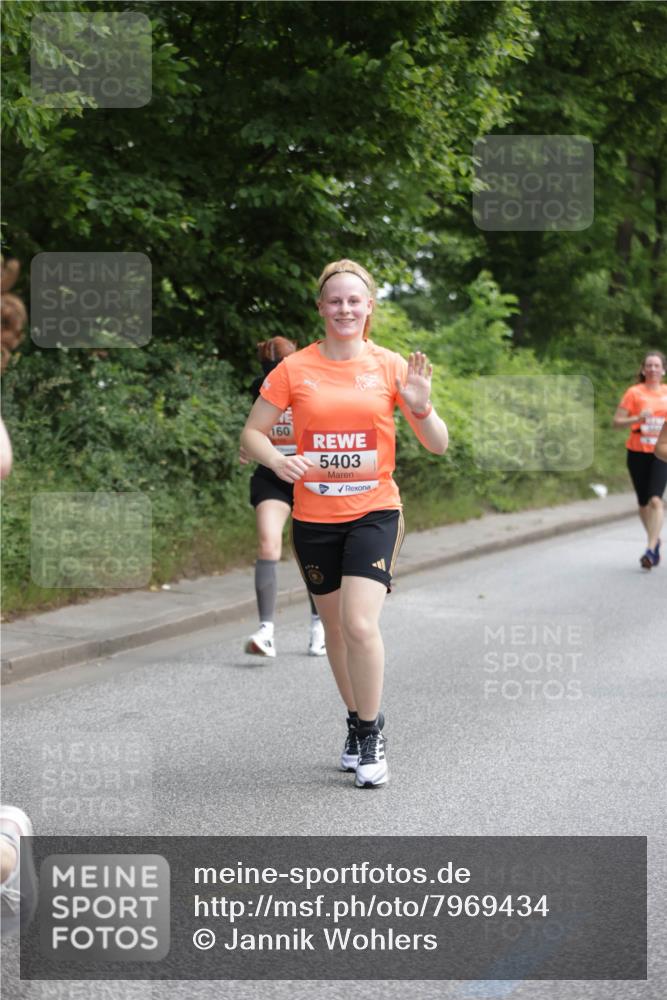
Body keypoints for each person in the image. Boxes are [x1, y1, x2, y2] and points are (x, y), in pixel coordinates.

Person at [241, 259, 448, 787]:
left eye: (354, 300)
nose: (345, 309)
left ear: (369, 306)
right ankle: (356, 725)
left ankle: (372, 731)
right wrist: (277, 461)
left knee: (359, 623)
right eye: (335, 300)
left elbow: (437, 443)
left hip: (375, 511)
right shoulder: (294, 369)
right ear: (321, 307)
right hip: (314, 518)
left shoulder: (389, 366)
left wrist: (421, 410)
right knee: (333, 628)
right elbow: (252, 435)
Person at [242, 336, 326, 658]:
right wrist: (249, 446)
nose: (274, 377)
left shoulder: (312, 386)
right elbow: (255, 430)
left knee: (311, 554)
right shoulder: (260, 388)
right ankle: (266, 632)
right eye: (269, 372)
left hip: (310, 476)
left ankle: (318, 627)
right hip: (273, 475)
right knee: (268, 544)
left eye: (279, 370)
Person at [613, 350, 667, 568]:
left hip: (661, 452)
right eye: (649, 365)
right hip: (637, 451)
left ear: (663, 370)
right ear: (643, 370)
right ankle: (654, 541)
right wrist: (637, 417)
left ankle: (650, 549)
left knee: (656, 500)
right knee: (644, 504)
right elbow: (616, 422)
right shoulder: (634, 393)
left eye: (657, 365)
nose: (653, 369)